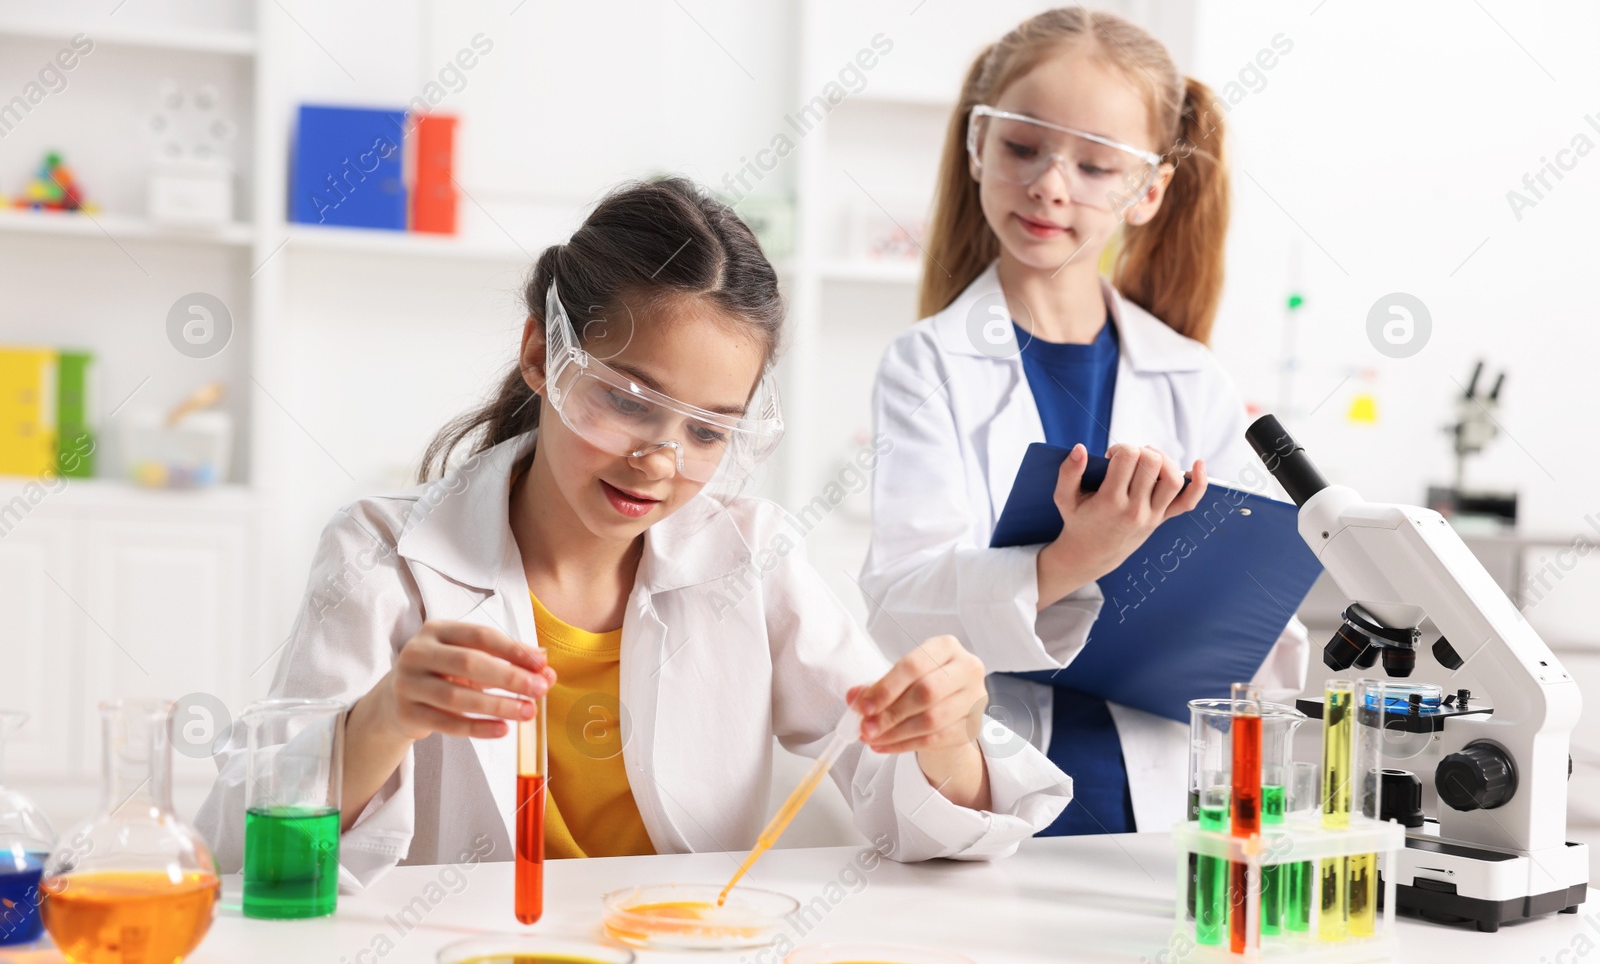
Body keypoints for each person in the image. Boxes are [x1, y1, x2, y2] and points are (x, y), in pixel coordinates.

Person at [199, 177, 1070, 889]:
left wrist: (946, 732)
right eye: (627, 399)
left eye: (707, 430)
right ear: (542, 355)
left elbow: (911, 812)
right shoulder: (382, 555)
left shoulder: (751, 556)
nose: (660, 460)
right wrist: (384, 717)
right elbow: (238, 855)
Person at [861, 8, 1307, 837]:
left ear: (1148, 191)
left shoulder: (1192, 377)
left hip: (1167, 794)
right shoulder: (926, 364)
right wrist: (1067, 561)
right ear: (976, 146)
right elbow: (898, 609)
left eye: (1097, 165)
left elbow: (1253, 644)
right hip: (992, 786)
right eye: (1023, 148)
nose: (1050, 185)